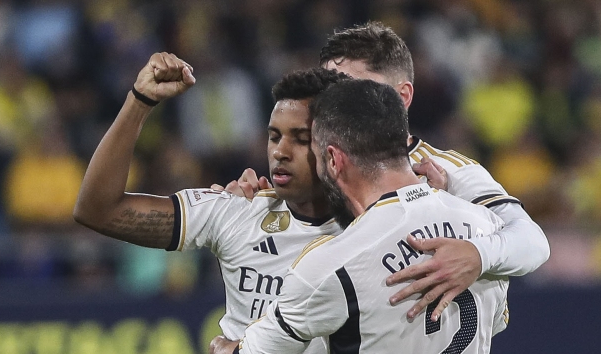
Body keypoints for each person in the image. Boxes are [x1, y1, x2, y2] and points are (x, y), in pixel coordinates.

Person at [73, 52, 352, 354]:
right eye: (273, 136)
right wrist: (139, 102)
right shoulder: (237, 210)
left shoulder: (373, 235)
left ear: (336, 146)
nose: (280, 152)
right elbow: (97, 209)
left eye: (300, 139)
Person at [210, 78, 510, 354]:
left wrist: (218, 345)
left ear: (335, 160)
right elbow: (495, 324)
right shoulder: (488, 230)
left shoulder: (333, 262)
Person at [223, 21, 549, 322]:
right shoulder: (312, 157)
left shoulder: (448, 170)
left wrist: (478, 254)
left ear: (402, 96)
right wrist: (248, 205)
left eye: (355, 88)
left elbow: (532, 243)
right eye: (330, 91)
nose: (338, 103)